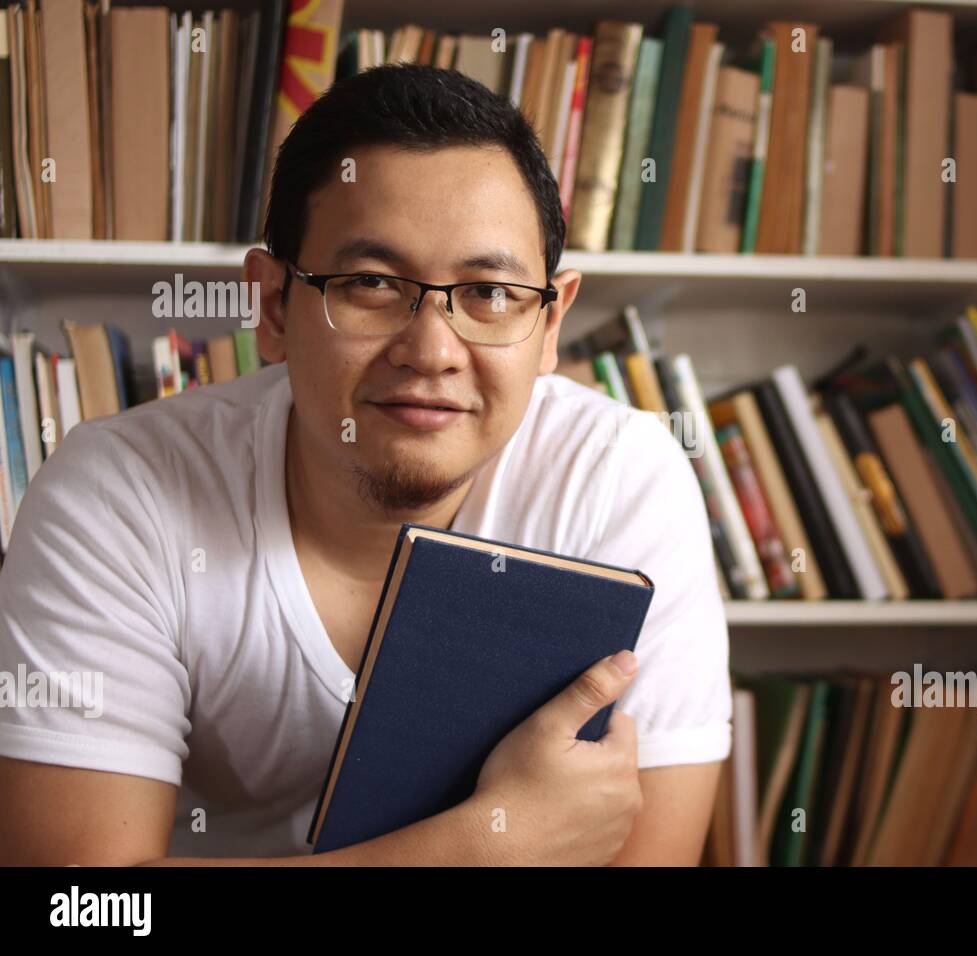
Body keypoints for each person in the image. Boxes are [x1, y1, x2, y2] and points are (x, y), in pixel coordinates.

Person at [0, 65, 731, 865]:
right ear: (274, 307)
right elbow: (84, 911)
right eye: (372, 284)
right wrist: (481, 847)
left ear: (550, 323)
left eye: (488, 293)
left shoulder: (621, 480)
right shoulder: (116, 492)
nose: (432, 352)